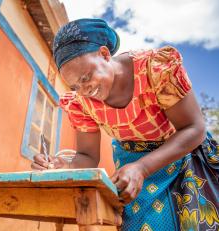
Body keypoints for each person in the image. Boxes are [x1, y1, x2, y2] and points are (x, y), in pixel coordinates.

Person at [31, 18, 219, 230]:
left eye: (86, 77)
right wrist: (61, 165)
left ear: (104, 54)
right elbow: (88, 156)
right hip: (131, 173)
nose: (84, 90)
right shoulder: (81, 103)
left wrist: (142, 168)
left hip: (181, 158)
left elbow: (194, 128)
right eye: (74, 86)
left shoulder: (154, 70)